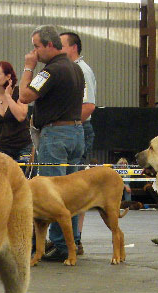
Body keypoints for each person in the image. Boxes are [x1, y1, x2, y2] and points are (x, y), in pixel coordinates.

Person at [20, 24, 85, 262]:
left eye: (36, 47)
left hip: (55, 136)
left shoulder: (50, 71)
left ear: (49, 45)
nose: (34, 52)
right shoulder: (75, 69)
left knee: (52, 193)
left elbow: (25, 95)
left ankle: (59, 245)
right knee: (72, 193)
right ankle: (73, 242)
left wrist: (29, 67)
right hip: (77, 133)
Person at [60, 31, 97, 256]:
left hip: (79, 129)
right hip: (75, 129)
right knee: (68, 187)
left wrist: (69, 126)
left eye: (61, 45)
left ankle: (76, 239)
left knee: (75, 189)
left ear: (73, 48)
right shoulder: (69, 70)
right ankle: (70, 238)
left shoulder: (82, 70)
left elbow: (89, 106)